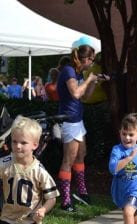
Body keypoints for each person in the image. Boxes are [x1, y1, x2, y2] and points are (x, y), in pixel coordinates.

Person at [56, 36, 108, 212]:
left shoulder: (77, 73)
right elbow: (76, 93)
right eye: (91, 59)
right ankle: (65, 201)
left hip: (77, 120)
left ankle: (82, 192)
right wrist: (88, 79)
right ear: (83, 58)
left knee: (81, 155)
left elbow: (84, 97)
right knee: (68, 160)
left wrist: (93, 82)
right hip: (69, 120)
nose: (92, 63)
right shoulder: (69, 71)